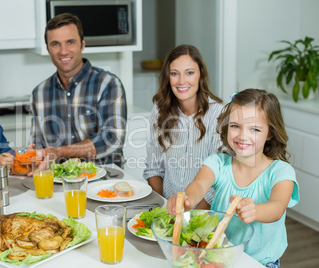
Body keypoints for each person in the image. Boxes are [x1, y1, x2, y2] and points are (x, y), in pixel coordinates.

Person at [166, 89, 300, 267]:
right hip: (217, 257)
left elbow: (277, 207)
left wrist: (255, 211)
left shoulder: (281, 172)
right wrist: (187, 198)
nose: (242, 135)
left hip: (260, 262)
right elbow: (199, 184)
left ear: (270, 133)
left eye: (254, 129)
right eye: (235, 126)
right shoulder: (218, 163)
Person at [29, 13, 127, 167]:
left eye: (70, 42)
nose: (63, 51)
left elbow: (112, 140)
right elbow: (37, 146)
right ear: (48, 49)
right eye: (55, 44)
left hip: (105, 181)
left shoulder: (108, 83)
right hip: (58, 181)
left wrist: (60, 152)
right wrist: (28, 160)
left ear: (82, 44)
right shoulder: (39, 93)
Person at [143, 44, 223, 207]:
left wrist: (190, 218)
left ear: (200, 75)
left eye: (190, 73)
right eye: (174, 74)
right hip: (168, 210)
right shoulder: (159, 111)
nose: (181, 81)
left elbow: (219, 180)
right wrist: (162, 209)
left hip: (205, 214)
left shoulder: (219, 114)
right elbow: (154, 168)